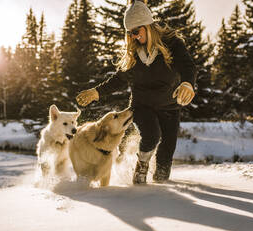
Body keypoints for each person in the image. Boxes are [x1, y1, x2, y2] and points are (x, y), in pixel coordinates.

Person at [76, 0, 197, 184]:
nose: (132, 37)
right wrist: (97, 92)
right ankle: (141, 168)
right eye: (129, 33)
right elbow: (119, 79)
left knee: (168, 148)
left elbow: (188, 66)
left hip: (170, 106)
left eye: (135, 32)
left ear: (148, 26)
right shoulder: (134, 54)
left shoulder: (172, 43)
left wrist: (187, 83)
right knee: (151, 135)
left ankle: (161, 184)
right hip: (141, 106)